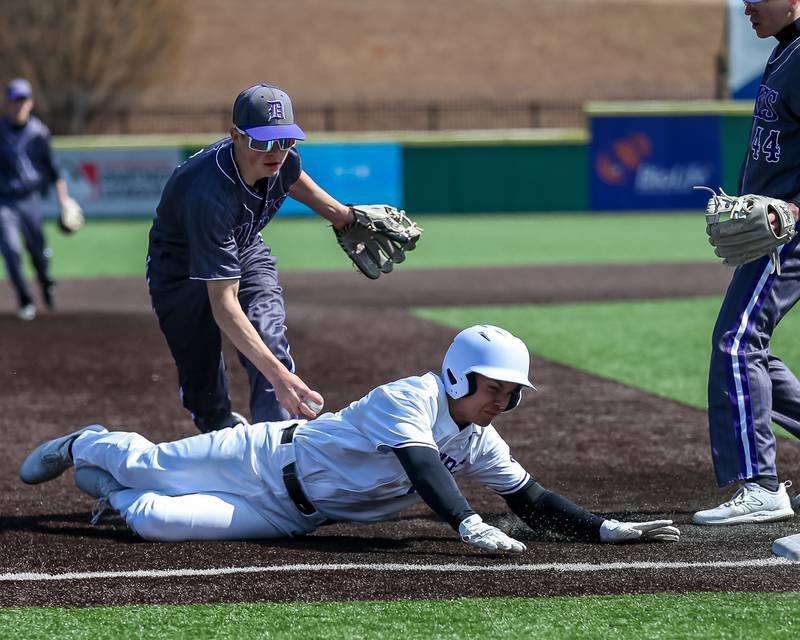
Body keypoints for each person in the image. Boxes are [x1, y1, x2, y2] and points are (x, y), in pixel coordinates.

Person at [19, 325, 680, 549]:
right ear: (456, 375)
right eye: (495, 389)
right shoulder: (410, 399)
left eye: (511, 395)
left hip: (286, 516)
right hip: (261, 453)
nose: (503, 402)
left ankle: (112, 493)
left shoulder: (478, 439)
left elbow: (531, 498)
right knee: (151, 463)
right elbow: (423, 469)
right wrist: (467, 524)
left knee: (155, 518)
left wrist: (603, 528)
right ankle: (89, 443)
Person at [146, 83, 357, 433]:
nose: (275, 152)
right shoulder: (208, 194)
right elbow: (224, 304)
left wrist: (341, 215)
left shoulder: (282, 160)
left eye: (285, 140)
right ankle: (219, 426)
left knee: (268, 334)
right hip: (179, 270)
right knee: (203, 378)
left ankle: (274, 443)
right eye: (262, 141)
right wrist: (280, 378)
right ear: (236, 136)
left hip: (243, 247)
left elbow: (292, 178)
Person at [693, 0, 800, 527]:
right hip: (774, 233)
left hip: (788, 234)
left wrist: (793, 208)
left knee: (736, 343)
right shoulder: (786, 51)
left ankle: (759, 483)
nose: (747, 5)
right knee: (749, 348)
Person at [0, 78, 78, 320]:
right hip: (4, 202)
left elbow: (54, 172)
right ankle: (25, 299)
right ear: (6, 103)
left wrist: (65, 201)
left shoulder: (39, 133)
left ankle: (46, 281)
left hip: (30, 199)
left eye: (23, 100)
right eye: (14, 101)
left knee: (38, 252)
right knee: (11, 250)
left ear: (31, 103)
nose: (18, 105)